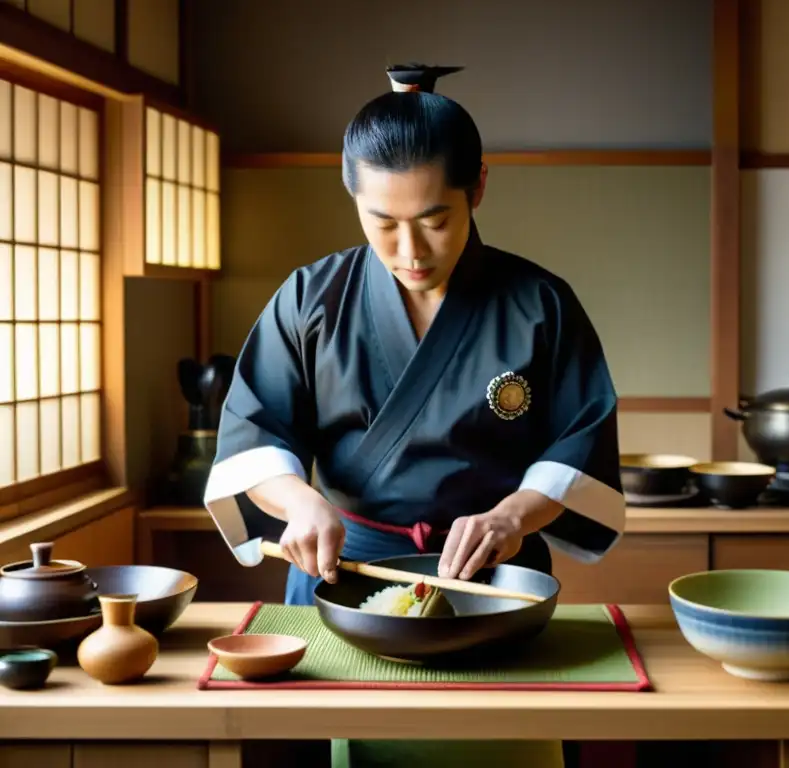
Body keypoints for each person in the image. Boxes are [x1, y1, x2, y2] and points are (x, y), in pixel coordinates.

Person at [202, 63, 626, 768]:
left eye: (436, 221)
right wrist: (301, 502)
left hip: (490, 580)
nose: (410, 252)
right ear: (354, 199)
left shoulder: (538, 303)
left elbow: (580, 440)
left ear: (478, 187)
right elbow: (256, 431)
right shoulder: (311, 299)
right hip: (342, 579)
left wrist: (511, 518)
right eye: (382, 223)